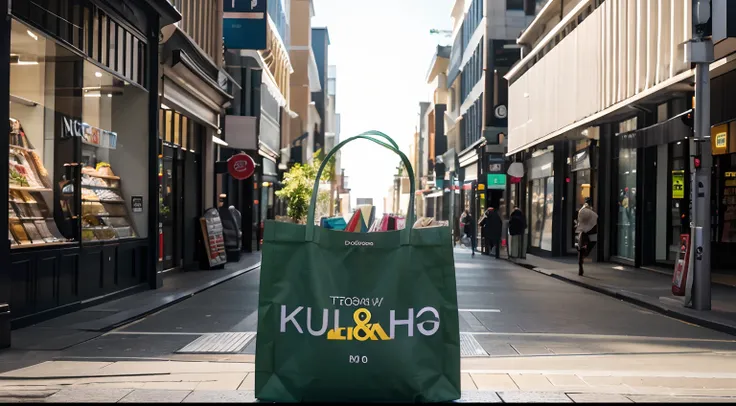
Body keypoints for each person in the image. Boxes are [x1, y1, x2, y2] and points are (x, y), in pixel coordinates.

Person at [576, 197, 598, 276]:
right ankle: (585, 252)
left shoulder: (582, 210)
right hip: (591, 231)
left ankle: (580, 265)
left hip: (583, 231)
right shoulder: (593, 212)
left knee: (580, 249)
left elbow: (580, 221)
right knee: (591, 243)